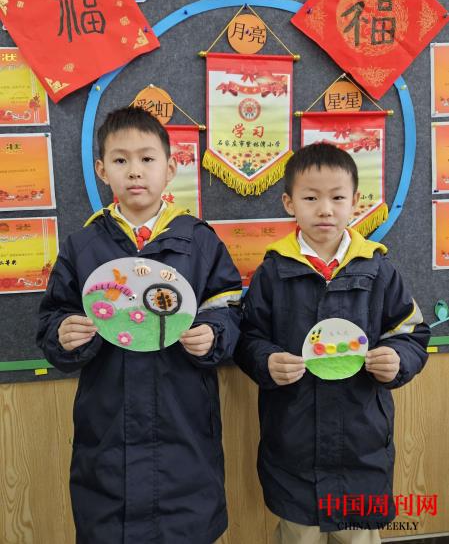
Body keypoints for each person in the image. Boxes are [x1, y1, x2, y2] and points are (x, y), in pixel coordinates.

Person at [37, 106, 242, 544]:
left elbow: (229, 307)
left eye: (147, 159)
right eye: (120, 160)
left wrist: (215, 333)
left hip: (184, 428)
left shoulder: (199, 241)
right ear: (101, 170)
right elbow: (52, 318)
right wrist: (64, 334)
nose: (135, 171)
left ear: (170, 168)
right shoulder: (82, 246)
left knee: (186, 530)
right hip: (108, 431)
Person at [234, 143, 430, 544]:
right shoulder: (272, 272)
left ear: (356, 202)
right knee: (299, 534)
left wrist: (398, 358)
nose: (325, 209)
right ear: (289, 203)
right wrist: (266, 361)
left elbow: (411, 332)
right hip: (293, 441)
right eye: (311, 198)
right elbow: (247, 336)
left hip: (362, 443)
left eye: (337, 198)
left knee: (358, 536)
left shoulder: (379, 269)